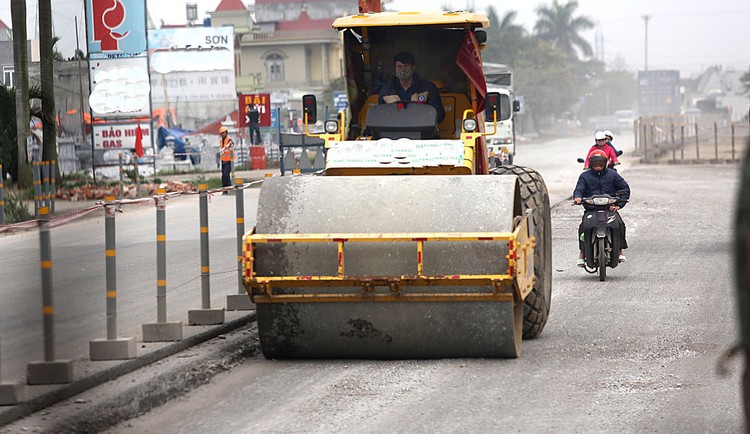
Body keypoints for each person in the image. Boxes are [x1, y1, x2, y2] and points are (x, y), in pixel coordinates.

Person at [574, 149, 631, 267]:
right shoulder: (584, 176)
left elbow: (625, 188)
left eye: (600, 162)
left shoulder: (613, 175)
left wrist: (619, 205)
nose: (598, 165)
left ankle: (619, 249)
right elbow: (579, 189)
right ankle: (582, 252)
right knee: (583, 227)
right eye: (595, 162)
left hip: (609, 209)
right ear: (590, 163)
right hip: (591, 209)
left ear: (605, 162)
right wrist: (578, 197)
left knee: (620, 225)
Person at [378, 51, 445, 124]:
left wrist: (421, 119)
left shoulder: (428, 88)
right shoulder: (385, 92)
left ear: (413, 68)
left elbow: (439, 114)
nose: (402, 70)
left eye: (406, 66)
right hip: (394, 133)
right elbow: (380, 116)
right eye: (399, 66)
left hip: (422, 132)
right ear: (395, 68)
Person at [218, 126, 234, 194]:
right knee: (223, 176)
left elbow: (230, 144)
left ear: (226, 133)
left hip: (229, 161)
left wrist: (224, 149)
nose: (222, 134)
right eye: (221, 133)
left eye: (223, 133)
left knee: (226, 175)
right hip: (223, 161)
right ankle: (224, 190)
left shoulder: (229, 140)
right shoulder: (221, 141)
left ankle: (229, 189)